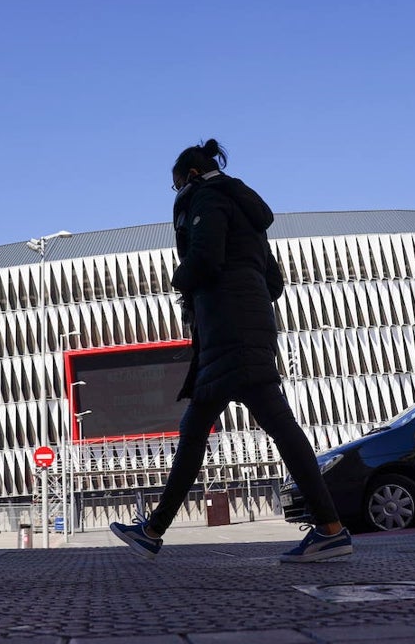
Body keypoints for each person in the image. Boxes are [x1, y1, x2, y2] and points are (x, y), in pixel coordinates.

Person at [110, 139, 352, 563]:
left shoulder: (207, 197)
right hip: (246, 330)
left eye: (175, 187)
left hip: (228, 334)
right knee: (211, 428)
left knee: (253, 428)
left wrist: (181, 280)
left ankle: (331, 530)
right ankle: (152, 530)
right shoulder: (245, 210)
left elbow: (204, 259)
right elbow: (274, 283)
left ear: (189, 176)